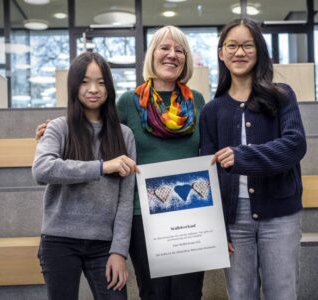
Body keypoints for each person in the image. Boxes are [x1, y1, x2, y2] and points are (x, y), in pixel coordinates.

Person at [36, 26, 206, 300]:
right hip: (145, 215)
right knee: (154, 292)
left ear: (186, 58)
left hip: (189, 210)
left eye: (179, 50)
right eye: (164, 48)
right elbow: (93, 121)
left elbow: (206, 152)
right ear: (152, 54)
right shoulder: (130, 102)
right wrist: (54, 130)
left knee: (189, 294)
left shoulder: (196, 101)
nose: (171, 55)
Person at [199, 18, 307, 300]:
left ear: (258, 51)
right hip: (234, 221)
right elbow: (207, 175)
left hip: (280, 216)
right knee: (240, 295)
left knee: (282, 293)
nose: (239, 52)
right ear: (221, 53)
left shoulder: (282, 96)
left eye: (247, 45)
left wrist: (241, 156)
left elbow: (295, 146)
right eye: (231, 45)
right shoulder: (212, 110)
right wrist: (217, 228)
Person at [32, 51, 138, 300]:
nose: (93, 89)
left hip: (104, 246)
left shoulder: (124, 135)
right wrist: (102, 167)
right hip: (59, 240)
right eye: (85, 82)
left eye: (101, 82)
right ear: (74, 86)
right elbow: (42, 170)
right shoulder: (59, 127)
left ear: (109, 87)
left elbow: (125, 200)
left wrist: (119, 252)